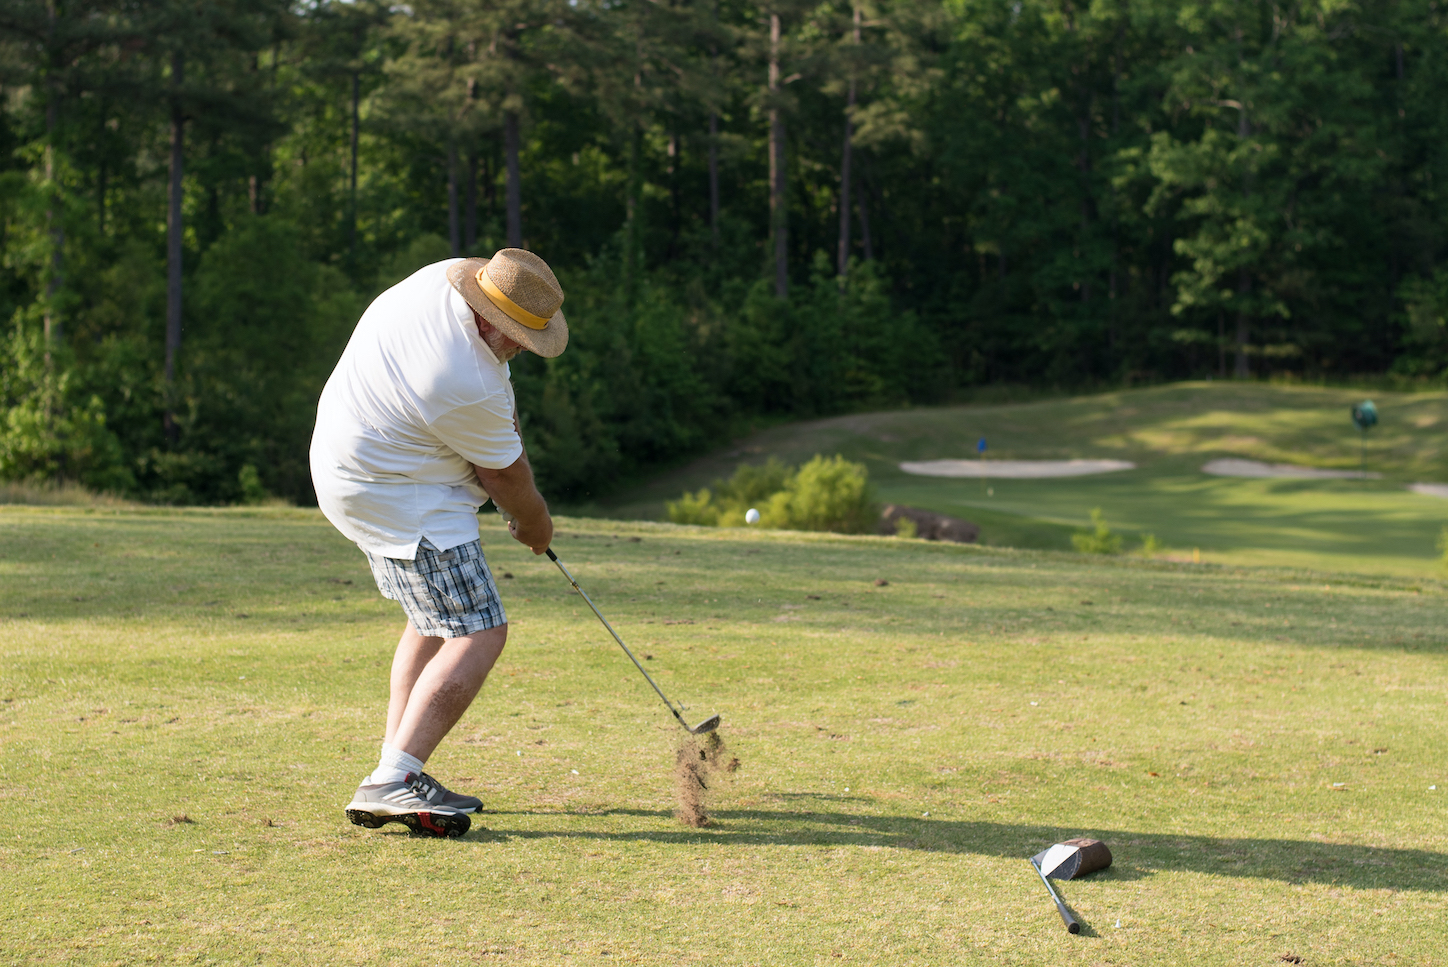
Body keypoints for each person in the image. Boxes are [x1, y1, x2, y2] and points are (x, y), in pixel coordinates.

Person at [309, 248, 567, 838]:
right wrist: (536, 526)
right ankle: (395, 777)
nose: (525, 350)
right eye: (521, 339)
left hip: (350, 469)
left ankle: (393, 769)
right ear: (489, 321)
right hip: (398, 491)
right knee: (480, 629)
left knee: (433, 623)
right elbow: (505, 476)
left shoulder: (440, 280)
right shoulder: (461, 375)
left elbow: (500, 422)